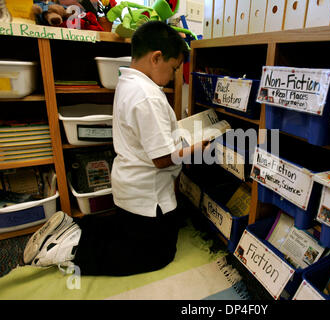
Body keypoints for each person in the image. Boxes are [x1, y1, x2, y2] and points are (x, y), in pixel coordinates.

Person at [23, 21, 209, 276]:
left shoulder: (127, 81)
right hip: (147, 196)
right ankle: (70, 249)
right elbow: (163, 160)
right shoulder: (149, 96)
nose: (174, 75)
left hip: (128, 189)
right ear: (157, 58)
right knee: (159, 254)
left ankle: (75, 227)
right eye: (174, 68)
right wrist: (197, 147)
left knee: (131, 230)